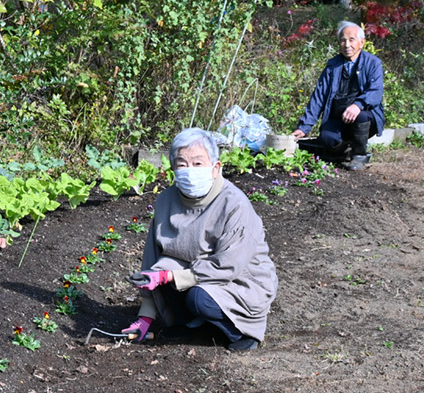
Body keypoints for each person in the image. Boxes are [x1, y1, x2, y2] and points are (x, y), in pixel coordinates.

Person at [123, 128, 277, 351]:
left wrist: (171, 276)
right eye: (182, 164)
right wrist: (146, 315)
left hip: (241, 279)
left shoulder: (234, 204)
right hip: (196, 272)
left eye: (197, 164)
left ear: (215, 168)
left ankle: (240, 331)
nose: (189, 171)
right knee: (161, 270)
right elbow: (151, 257)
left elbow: (228, 266)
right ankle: (190, 324)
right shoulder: (166, 200)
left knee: (199, 298)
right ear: (173, 168)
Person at [291, 21, 384, 171]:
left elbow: (376, 92)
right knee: (327, 139)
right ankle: (345, 150)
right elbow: (319, 96)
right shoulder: (332, 65)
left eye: (351, 40)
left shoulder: (373, 63)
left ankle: (359, 156)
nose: (347, 45)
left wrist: (357, 105)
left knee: (362, 117)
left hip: (364, 117)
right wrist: (304, 127)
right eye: (343, 40)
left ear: (362, 43)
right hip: (338, 117)